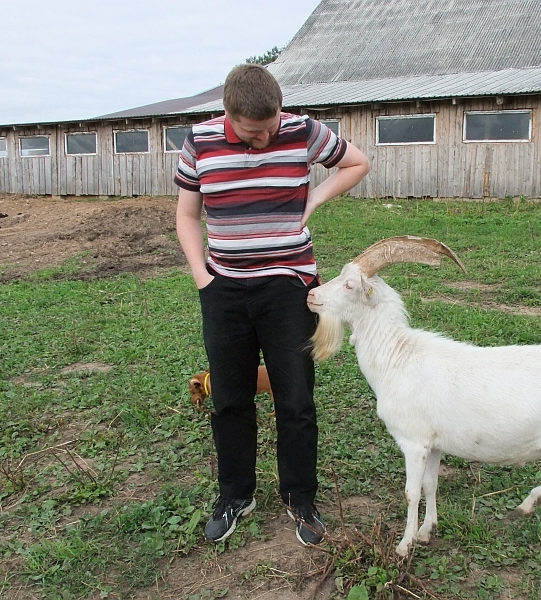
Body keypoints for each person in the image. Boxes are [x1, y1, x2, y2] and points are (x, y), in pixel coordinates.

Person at [174, 63, 370, 546]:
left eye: (269, 129)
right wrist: (204, 278)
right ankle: (235, 495)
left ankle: (300, 498)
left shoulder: (302, 131)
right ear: (228, 115)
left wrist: (314, 199)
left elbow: (357, 162)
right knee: (230, 399)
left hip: (289, 289)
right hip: (224, 292)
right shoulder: (200, 142)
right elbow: (186, 213)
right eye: (251, 132)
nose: (263, 139)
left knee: (297, 401)